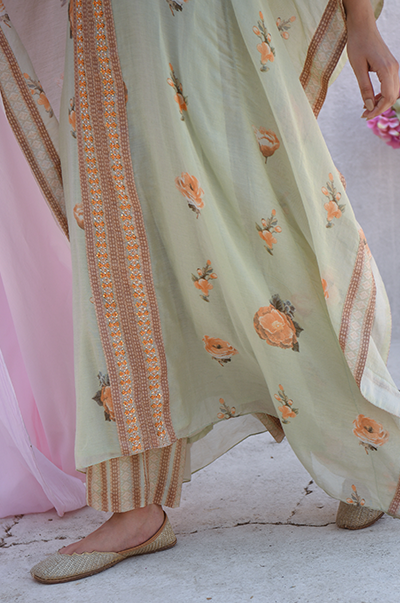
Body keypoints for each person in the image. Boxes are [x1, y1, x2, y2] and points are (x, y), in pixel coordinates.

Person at [0, 0, 399, 584]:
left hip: (208, 25)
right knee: (120, 251)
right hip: (103, 30)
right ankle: (135, 507)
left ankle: (363, 445)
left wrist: (362, 23)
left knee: (261, 227)